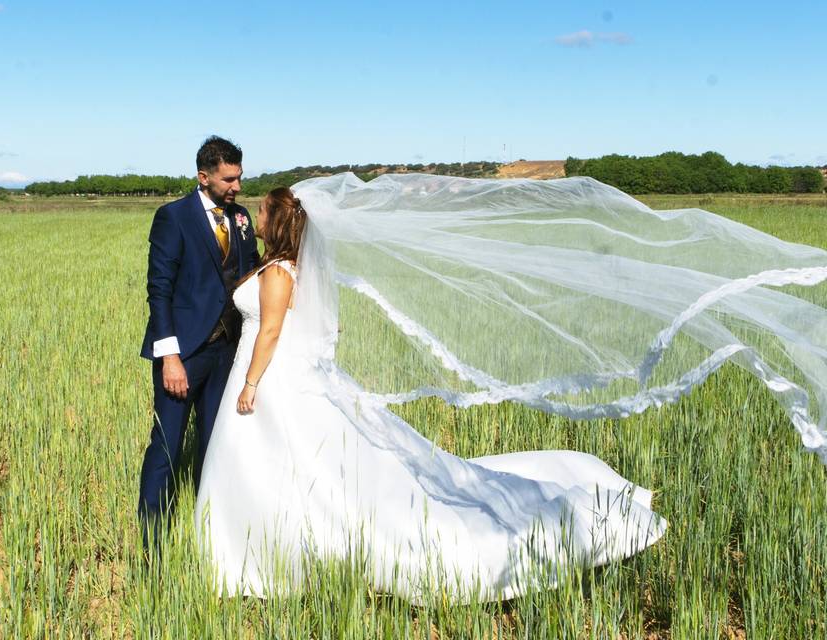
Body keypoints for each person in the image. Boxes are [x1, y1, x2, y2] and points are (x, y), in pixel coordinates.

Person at [194, 185, 667, 603]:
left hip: (271, 379)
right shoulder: (287, 267)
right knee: (281, 467)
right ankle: (260, 553)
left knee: (294, 466)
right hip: (280, 377)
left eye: (261, 212)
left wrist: (252, 383)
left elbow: (271, 331)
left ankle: (260, 558)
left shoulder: (278, 273)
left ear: (276, 222)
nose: (254, 218)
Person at [138, 135, 260, 553]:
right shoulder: (173, 217)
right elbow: (159, 290)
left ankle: (210, 539)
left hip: (227, 353)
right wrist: (169, 356)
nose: (237, 187)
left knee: (216, 444)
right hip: (185, 354)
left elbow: (254, 276)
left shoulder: (241, 219)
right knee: (168, 447)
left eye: (240, 178)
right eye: (229, 179)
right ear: (203, 176)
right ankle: (152, 545)